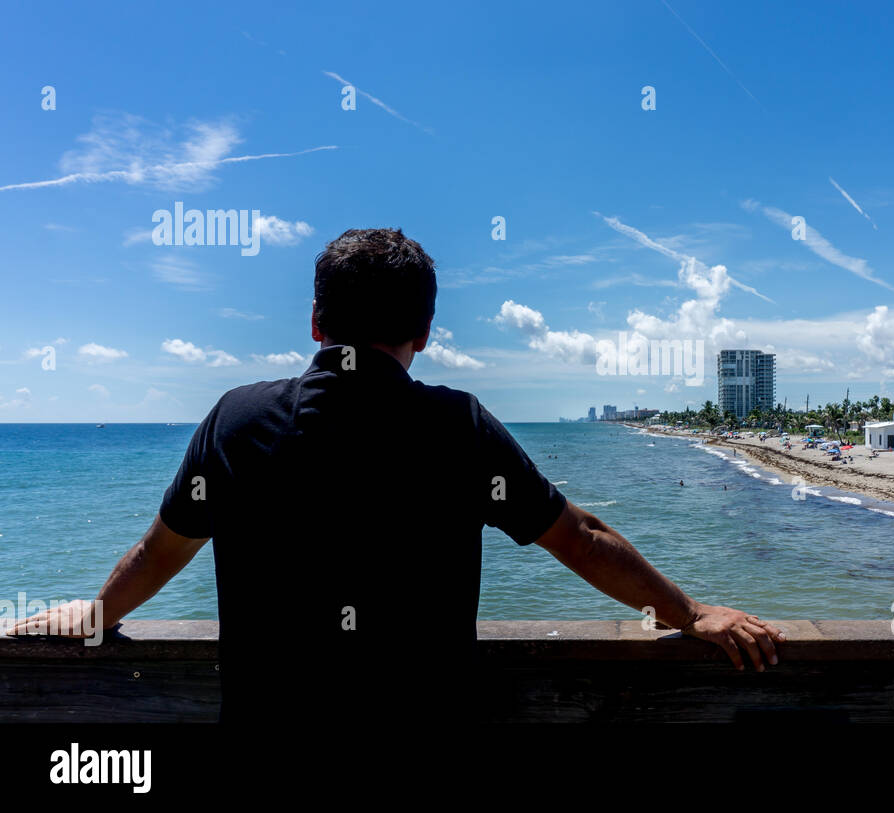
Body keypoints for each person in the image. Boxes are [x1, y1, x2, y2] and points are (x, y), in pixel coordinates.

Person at [4, 228, 784, 733]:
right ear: (425, 332)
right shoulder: (457, 427)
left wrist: (97, 610)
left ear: (316, 322)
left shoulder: (236, 421)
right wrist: (693, 611)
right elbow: (576, 536)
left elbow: (164, 547)